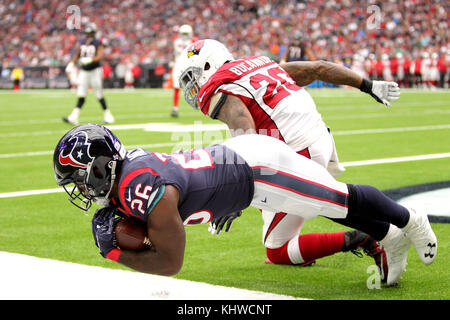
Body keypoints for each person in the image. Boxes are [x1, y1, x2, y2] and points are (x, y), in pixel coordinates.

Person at [53, 123, 437, 286]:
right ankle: (388, 235)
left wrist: (116, 254)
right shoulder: (129, 175)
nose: (80, 190)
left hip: (257, 170)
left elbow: (170, 262)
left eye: (78, 180)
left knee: (337, 198)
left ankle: (411, 219)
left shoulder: (140, 186)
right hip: (241, 172)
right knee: (329, 207)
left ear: (102, 168)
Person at [175, 39, 400, 275]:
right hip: (318, 137)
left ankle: (371, 236)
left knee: (281, 245)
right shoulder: (259, 63)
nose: (191, 87)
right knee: (273, 195)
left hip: (297, 152)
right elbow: (319, 68)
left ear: (209, 66)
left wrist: (235, 197)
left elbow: (248, 137)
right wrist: (367, 85)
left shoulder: (221, 85)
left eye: (192, 77)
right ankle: (384, 228)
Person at [63, 23, 115, 126]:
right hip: (84, 71)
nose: (89, 35)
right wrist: (72, 64)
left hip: (95, 71)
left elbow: (100, 55)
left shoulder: (98, 42)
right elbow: (78, 54)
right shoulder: (82, 42)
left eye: (91, 33)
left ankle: (108, 115)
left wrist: (90, 59)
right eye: (87, 33)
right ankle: (74, 117)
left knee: (98, 94)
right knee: (81, 93)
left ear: (94, 33)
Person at [170, 24, 198, 117]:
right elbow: (190, 53)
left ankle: (175, 108)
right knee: (193, 84)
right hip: (186, 65)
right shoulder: (192, 41)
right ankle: (197, 101)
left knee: (178, 88)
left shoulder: (176, 41)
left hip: (179, 65)